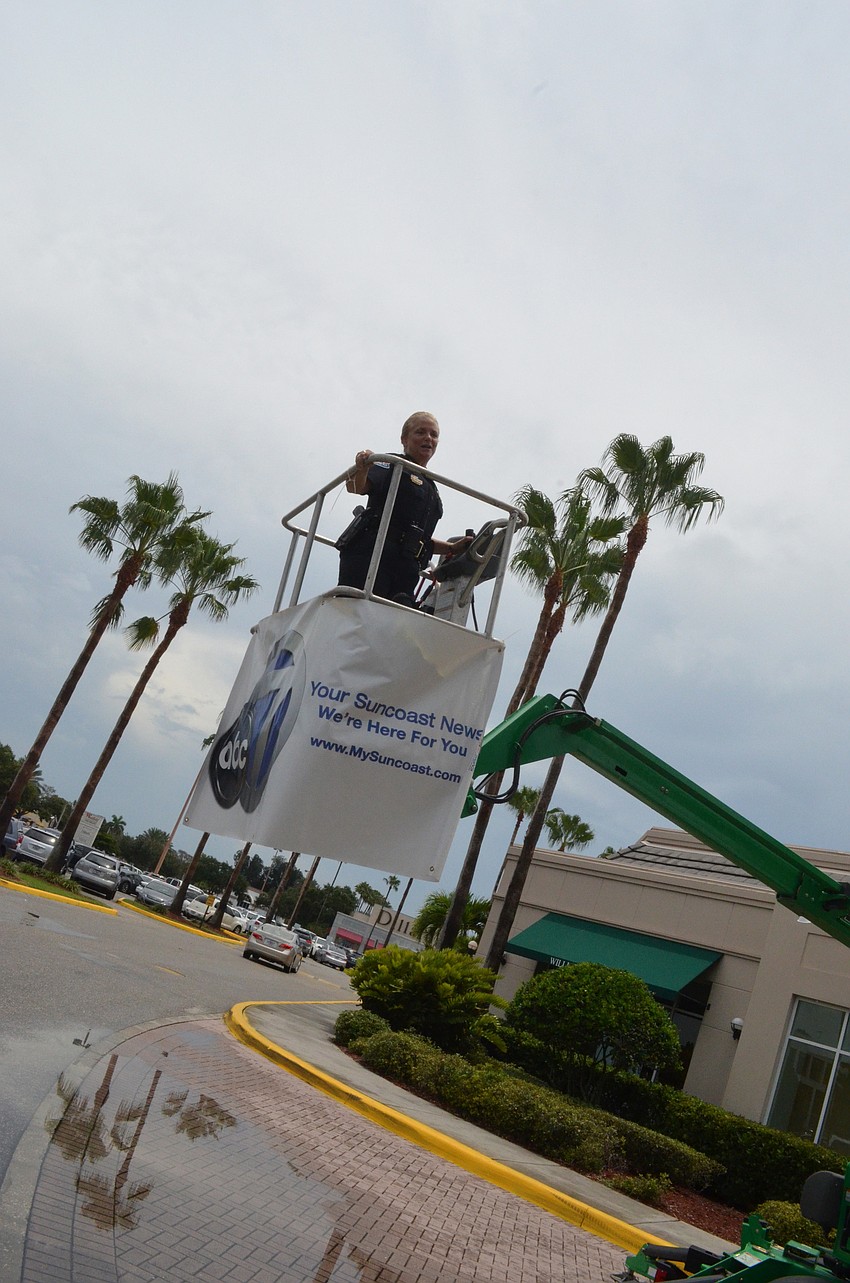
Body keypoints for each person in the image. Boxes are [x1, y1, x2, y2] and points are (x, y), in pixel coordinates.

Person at [337, 411, 469, 604]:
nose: (428, 438)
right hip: (373, 557)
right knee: (356, 617)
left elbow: (417, 537)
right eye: (420, 432)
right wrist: (362, 467)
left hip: (407, 568)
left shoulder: (431, 487)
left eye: (434, 435)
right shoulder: (392, 464)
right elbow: (356, 487)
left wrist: (453, 548)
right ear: (404, 439)